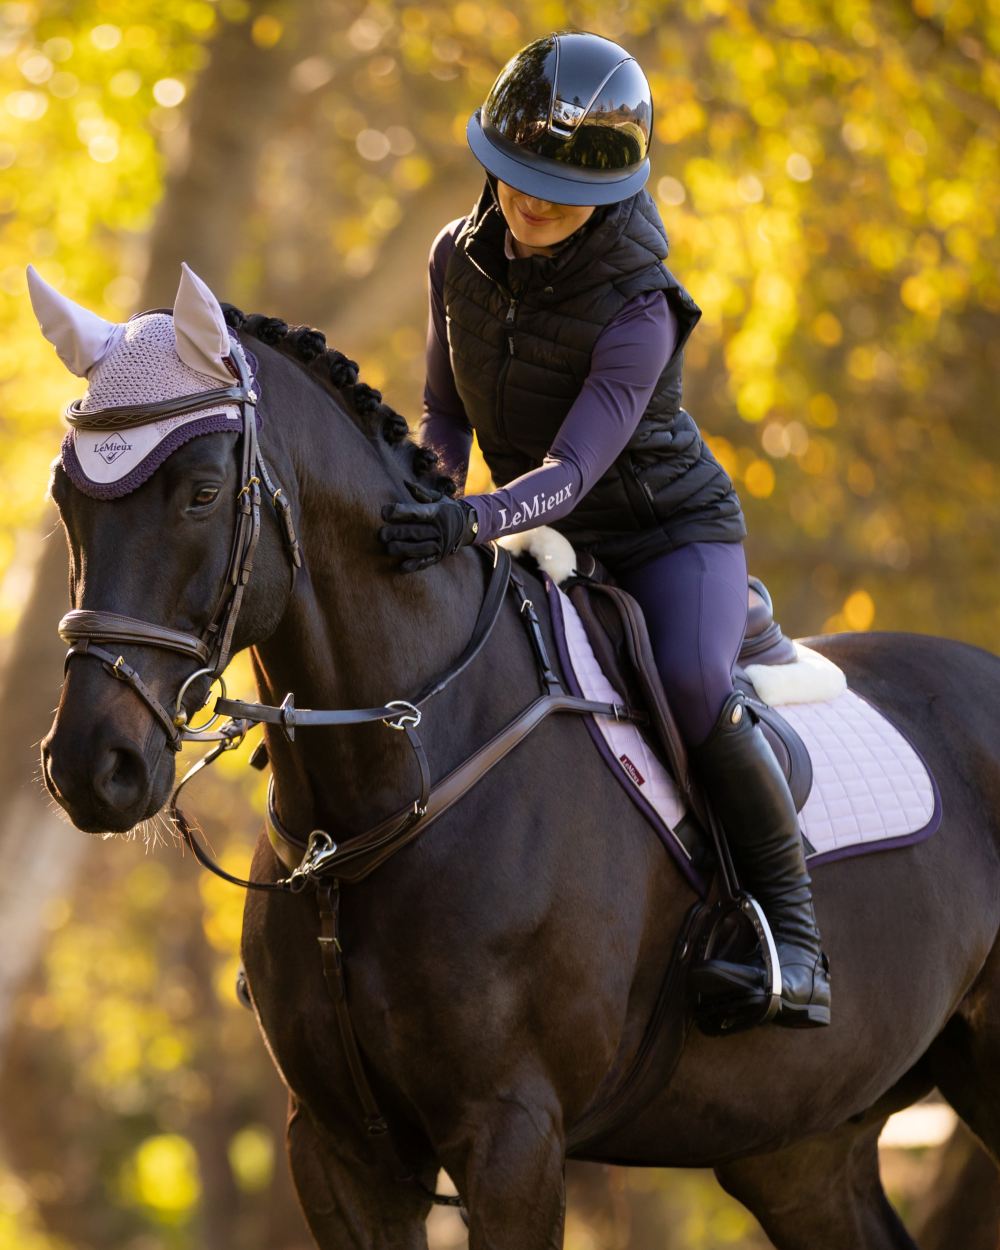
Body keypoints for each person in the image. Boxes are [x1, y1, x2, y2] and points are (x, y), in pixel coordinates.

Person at [379, 31, 831, 1029]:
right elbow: (444, 415)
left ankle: (794, 937)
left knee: (688, 683)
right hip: (532, 526)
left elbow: (573, 472)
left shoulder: (642, 308)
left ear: (613, 191)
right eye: (513, 178)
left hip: (668, 534)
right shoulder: (453, 257)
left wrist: (462, 520)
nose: (527, 202)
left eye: (554, 188)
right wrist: (430, 495)